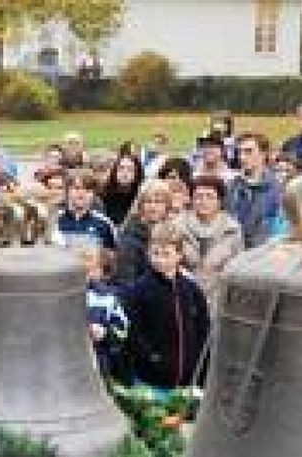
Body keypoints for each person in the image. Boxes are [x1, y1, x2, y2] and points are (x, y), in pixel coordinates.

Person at [123, 223, 210, 391]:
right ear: (148, 253)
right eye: (155, 254)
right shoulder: (139, 290)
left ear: (179, 255)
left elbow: (203, 329)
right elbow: (133, 331)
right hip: (151, 378)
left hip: (189, 378)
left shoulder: (191, 290)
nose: (160, 260)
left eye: (166, 254)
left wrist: (200, 362)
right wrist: (151, 356)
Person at [183, 176, 244, 304]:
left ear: (219, 201)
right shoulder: (177, 226)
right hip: (184, 297)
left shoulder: (232, 229)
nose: (203, 201)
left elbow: (237, 269)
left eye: (209, 196)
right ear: (191, 199)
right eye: (199, 196)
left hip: (218, 299)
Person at [225, 132, 287, 248]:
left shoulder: (279, 189)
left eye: (249, 151)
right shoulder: (231, 187)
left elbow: (279, 229)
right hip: (233, 251)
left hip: (263, 253)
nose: (242, 157)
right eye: (240, 152)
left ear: (263, 154)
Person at [83, 246, 129, 383]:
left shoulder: (108, 298)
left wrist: (105, 332)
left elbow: (122, 330)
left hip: (100, 366)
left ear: (101, 272)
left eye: (90, 268)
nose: (85, 273)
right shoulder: (60, 297)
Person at [55, 169, 115, 249]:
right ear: (67, 191)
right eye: (77, 188)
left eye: (87, 189)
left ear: (94, 194)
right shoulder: (54, 221)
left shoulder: (105, 224)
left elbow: (112, 255)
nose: (81, 193)